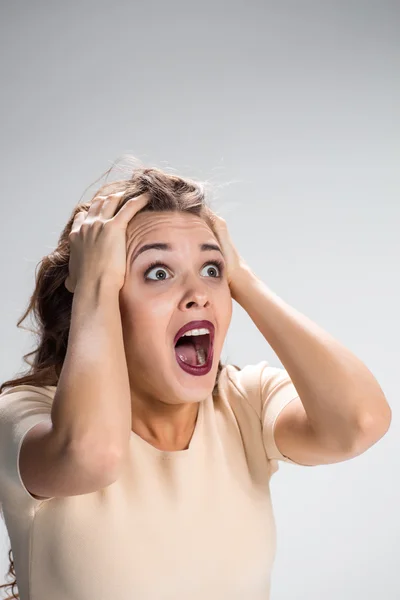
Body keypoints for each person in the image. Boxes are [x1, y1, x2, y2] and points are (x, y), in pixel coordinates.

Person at [0, 157, 391, 600]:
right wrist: (92, 284)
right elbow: (91, 456)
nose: (199, 296)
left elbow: (360, 422)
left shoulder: (245, 401)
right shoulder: (26, 414)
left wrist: (243, 278)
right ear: (100, 295)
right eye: (158, 273)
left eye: (211, 271)